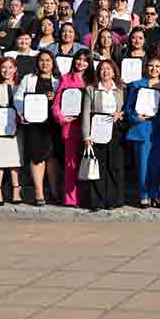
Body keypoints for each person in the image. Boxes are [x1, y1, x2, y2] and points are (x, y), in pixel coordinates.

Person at [16, 50, 61, 206]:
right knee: (37, 158)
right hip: (34, 125)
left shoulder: (58, 81)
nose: (44, 63)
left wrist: (56, 96)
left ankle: (55, 191)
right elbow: (18, 97)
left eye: (48, 60)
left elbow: (65, 99)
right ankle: (39, 192)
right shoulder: (29, 79)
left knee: (53, 158)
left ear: (53, 63)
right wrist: (22, 113)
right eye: (41, 60)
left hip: (53, 125)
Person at [81, 59, 126, 211]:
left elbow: (127, 109)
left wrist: (121, 114)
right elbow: (86, 113)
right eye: (102, 69)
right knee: (98, 166)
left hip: (115, 130)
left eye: (109, 69)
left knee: (114, 166)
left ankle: (113, 200)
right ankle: (97, 202)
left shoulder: (121, 89)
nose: (105, 72)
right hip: (97, 130)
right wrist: (86, 136)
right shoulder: (91, 89)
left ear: (114, 72)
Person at [51, 50, 94, 208]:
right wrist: (62, 118)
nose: (81, 63)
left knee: (89, 163)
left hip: (90, 128)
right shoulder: (66, 78)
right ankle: (71, 199)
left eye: (85, 60)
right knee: (71, 165)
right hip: (71, 127)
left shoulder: (93, 80)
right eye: (78, 59)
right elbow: (56, 104)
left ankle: (88, 198)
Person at [124, 56, 160, 209]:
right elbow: (128, 108)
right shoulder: (136, 85)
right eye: (151, 66)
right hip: (142, 128)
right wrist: (136, 117)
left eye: (157, 66)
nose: (154, 69)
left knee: (156, 165)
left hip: (158, 129)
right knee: (143, 164)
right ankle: (143, 195)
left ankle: (155, 195)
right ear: (145, 67)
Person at [0, 57, 24, 205]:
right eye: (3, 67)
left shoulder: (20, 86)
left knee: (15, 160)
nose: (6, 71)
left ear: (15, 69)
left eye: (10, 67)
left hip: (16, 129)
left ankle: (16, 191)